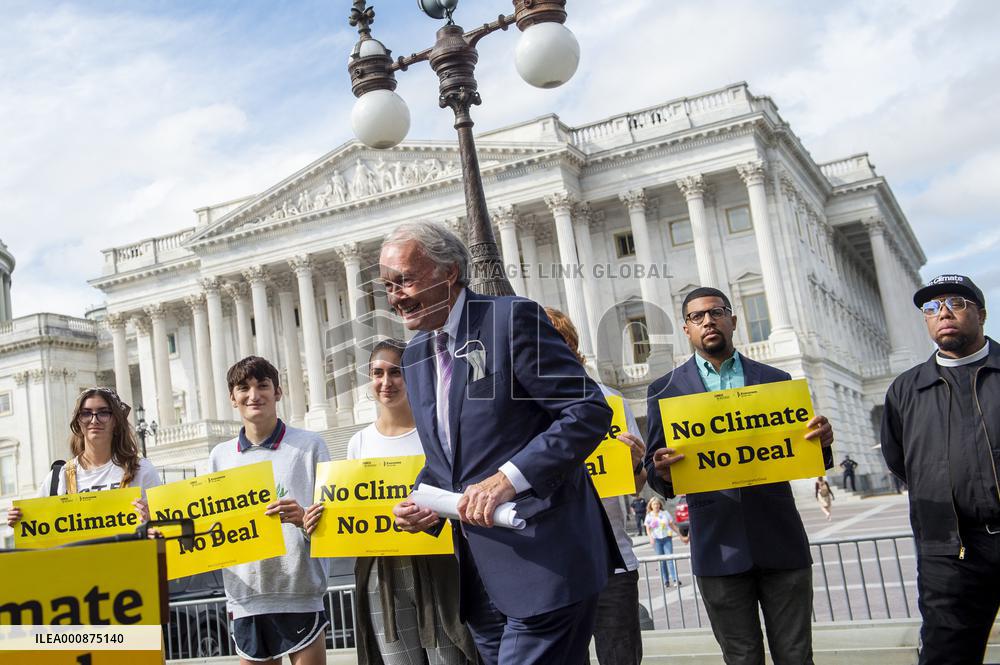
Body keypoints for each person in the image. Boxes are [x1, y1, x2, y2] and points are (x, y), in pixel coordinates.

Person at [382, 222, 619, 665]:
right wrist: (424, 501)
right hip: (480, 579)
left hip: (547, 560)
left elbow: (587, 410)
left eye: (406, 279)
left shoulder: (512, 319)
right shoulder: (413, 356)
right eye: (388, 285)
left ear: (448, 272)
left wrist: (509, 479)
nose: (395, 295)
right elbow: (446, 460)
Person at [644, 286, 834, 665]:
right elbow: (656, 470)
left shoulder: (776, 379)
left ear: (733, 320)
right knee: (741, 657)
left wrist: (823, 441)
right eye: (697, 317)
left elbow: (807, 455)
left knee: (796, 656)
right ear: (686, 330)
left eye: (716, 312)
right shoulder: (664, 390)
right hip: (717, 548)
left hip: (781, 542)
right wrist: (660, 470)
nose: (708, 321)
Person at [881, 274, 1000, 665]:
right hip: (949, 552)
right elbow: (901, 461)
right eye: (931, 308)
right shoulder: (905, 390)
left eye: (956, 303)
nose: (943, 313)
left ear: (981, 314)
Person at [341, 339, 477, 665]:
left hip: (440, 564)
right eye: (377, 373)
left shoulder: (438, 433)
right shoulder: (358, 442)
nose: (385, 382)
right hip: (382, 573)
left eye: (395, 373)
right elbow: (350, 509)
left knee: (449, 656)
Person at [211, 356, 330, 665]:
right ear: (232, 397)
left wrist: (304, 518)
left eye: (262, 386)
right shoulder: (219, 456)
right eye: (244, 388)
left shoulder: (310, 446)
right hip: (246, 594)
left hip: (299, 591)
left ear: (278, 392)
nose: (254, 395)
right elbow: (209, 524)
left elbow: (335, 518)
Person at [545, 306, 646, 665]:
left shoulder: (612, 401)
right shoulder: (523, 408)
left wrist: (635, 465)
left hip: (611, 560)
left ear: (573, 347)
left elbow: (635, 487)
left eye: (556, 343)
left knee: (620, 657)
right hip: (551, 567)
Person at [6, 387, 160, 530]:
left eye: (103, 413)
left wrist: (150, 519)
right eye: (86, 413)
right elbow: (38, 525)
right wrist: (19, 519)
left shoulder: (141, 469)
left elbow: (165, 525)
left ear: (116, 421)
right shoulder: (60, 476)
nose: (94, 420)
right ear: (78, 422)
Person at [644, 497, 680, 587]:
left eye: (658, 504)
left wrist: (680, 534)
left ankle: (675, 579)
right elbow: (648, 529)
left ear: (660, 505)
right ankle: (666, 581)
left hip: (667, 538)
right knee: (662, 561)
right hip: (657, 540)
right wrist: (650, 538)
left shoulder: (665, 513)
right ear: (651, 506)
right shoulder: (649, 516)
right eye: (654, 504)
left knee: (670, 559)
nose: (656, 506)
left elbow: (672, 525)